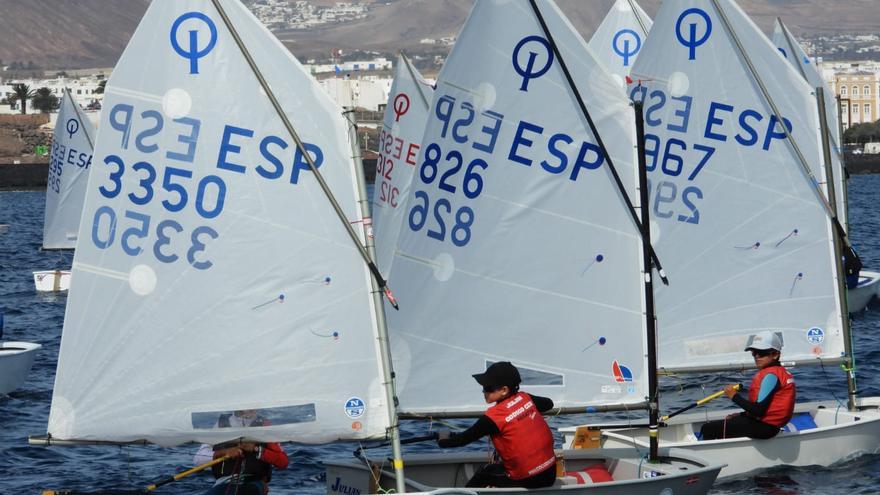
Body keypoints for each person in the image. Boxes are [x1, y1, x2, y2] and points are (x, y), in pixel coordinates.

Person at [435, 361, 557, 488]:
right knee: (495, 468)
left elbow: (461, 440)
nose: (484, 392)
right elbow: (549, 403)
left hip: (528, 480)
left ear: (504, 390)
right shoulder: (526, 398)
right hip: (549, 474)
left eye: (488, 388)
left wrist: (442, 440)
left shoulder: (493, 418)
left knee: (484, 473)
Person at [699, 331, 796, 440]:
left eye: (762, 353)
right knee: (731, 420)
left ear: (775, 355)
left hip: (765, 428)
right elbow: (765, 408)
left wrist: (733, 396)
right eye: (754, 353)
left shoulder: (771, 376)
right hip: (769, 425)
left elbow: (759, 411)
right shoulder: (780, 372)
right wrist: (742, 414)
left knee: (707, 428)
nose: (757, 357)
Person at [194, 409, 289, 495]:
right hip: (224, 483)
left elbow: (283, 462)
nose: (252, 408)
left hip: (254, 483)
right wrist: (224, 452)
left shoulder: (265, 426)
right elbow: (198, 460)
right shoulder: (221, 424)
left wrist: (256, 449)